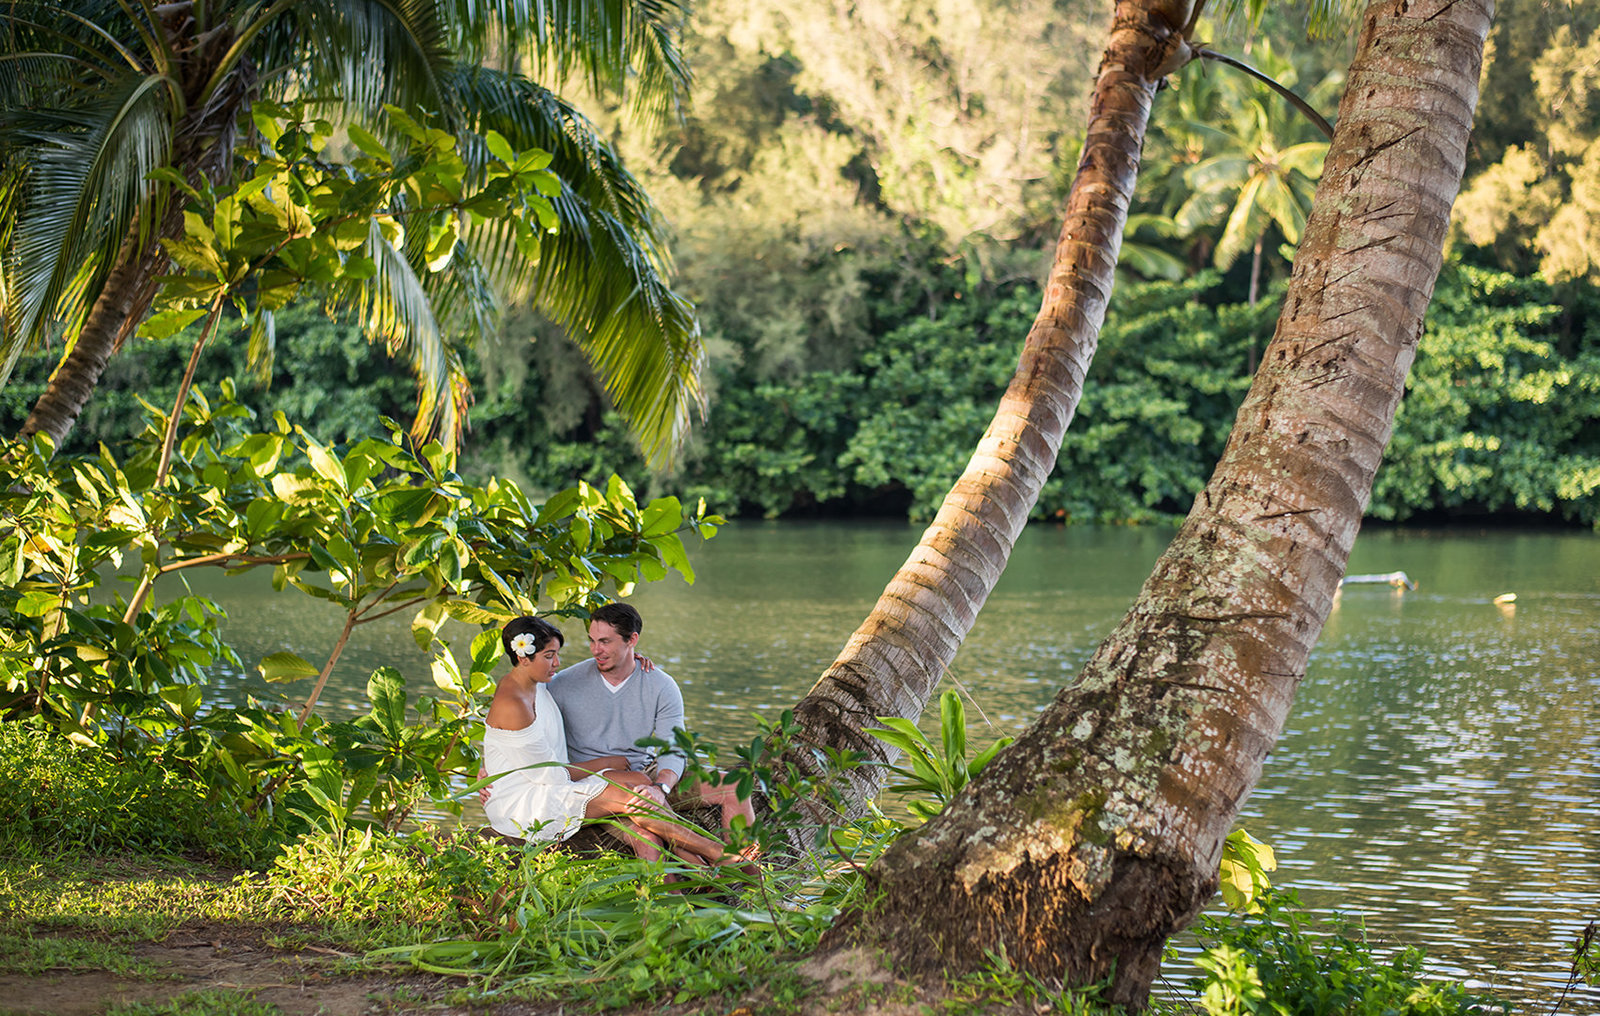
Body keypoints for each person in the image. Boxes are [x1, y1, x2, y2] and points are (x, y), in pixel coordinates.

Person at [480, 615, 736, 867]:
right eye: (549, 656)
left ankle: (701, 867)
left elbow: (502, 742)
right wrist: (607, 762)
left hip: (548, 780)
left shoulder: (535, 683)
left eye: (557, 654)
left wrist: (629, 660)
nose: (557, 663)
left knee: (641, 782)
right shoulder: (515, 701)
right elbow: (549, 774)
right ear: (523, 657)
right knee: (633, 800)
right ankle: (716, 853)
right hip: (530, 797)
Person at [548, 602, 757, 836]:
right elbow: (528, 726)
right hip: (598, 788)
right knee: (649, 837)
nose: (595, 650)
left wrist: (661, 787)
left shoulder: (660, 685)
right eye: (592, 640)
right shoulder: (563, 684)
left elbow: (674, 746)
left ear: (632, 640)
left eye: (605, 642)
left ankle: (737, 868)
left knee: (734, 785)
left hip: (648, 775)